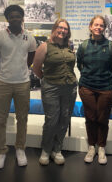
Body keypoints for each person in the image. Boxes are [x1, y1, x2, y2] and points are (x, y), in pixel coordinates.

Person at [0, 5, 37, 169]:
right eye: (12, 16)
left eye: (18, 16)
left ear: (22, 18)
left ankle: (20, 149)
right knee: (0, 119)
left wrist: (19, 71)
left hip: (23, 84)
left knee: (22, 118)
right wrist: (6, 72)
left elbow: (30, 58)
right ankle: (1, 151)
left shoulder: (29, 38)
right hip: (3, 83)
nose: (15, 19)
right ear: (7, 19)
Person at [33, 18, 77, 166]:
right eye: (60, 27)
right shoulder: (45, 46)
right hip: (51, 88)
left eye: (65, 28)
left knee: (65, 119)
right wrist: (46, 79)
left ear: (68, 31)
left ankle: (57, 149)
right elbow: (36, 68)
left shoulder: (70, 46)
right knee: (52, 120)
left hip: (70, 88)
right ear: (54, 28)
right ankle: (46, 149)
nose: (62, 30)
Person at [76, 15, 112, 165]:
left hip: (106, 88)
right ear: (90, 27)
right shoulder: (84, 46)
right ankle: (91, 147)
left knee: (102, 118)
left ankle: (101, 147)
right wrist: (89, 76)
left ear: (104, 28)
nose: (98, 28)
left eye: (101, 26)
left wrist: (108, 79)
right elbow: (79, 64)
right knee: (91, 117)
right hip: (87, 87)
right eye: (96, 25)